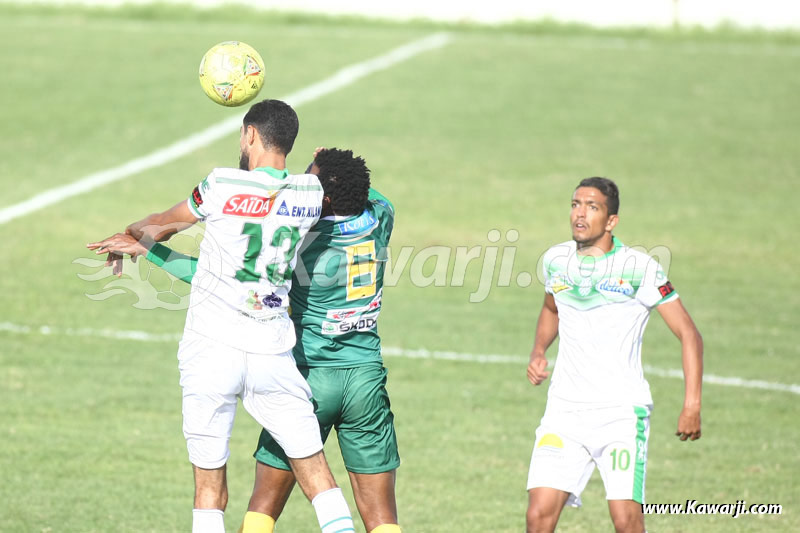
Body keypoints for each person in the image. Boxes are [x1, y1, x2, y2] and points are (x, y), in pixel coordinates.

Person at [90, 148, 402, 533]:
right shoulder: (381, 216)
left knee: (263, 510)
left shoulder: (301, 244)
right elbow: (365, 191)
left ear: (323, 199)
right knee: (383, 519)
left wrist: (152, 249)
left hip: (308, 376)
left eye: (310, 175)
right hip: (366, 380)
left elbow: (217, 278)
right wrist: (332, 168)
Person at [525, 177, 703, 533]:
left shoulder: (640, 268)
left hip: (620, 414)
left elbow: (689, 334)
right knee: (538, 515)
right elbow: (551, 308)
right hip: (564, 411)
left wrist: (692, 405)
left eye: (592, 207)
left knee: (626, 521)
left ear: (611, 221)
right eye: (576, 204)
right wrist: (539, 350)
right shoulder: (556, 260)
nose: (580, 213)